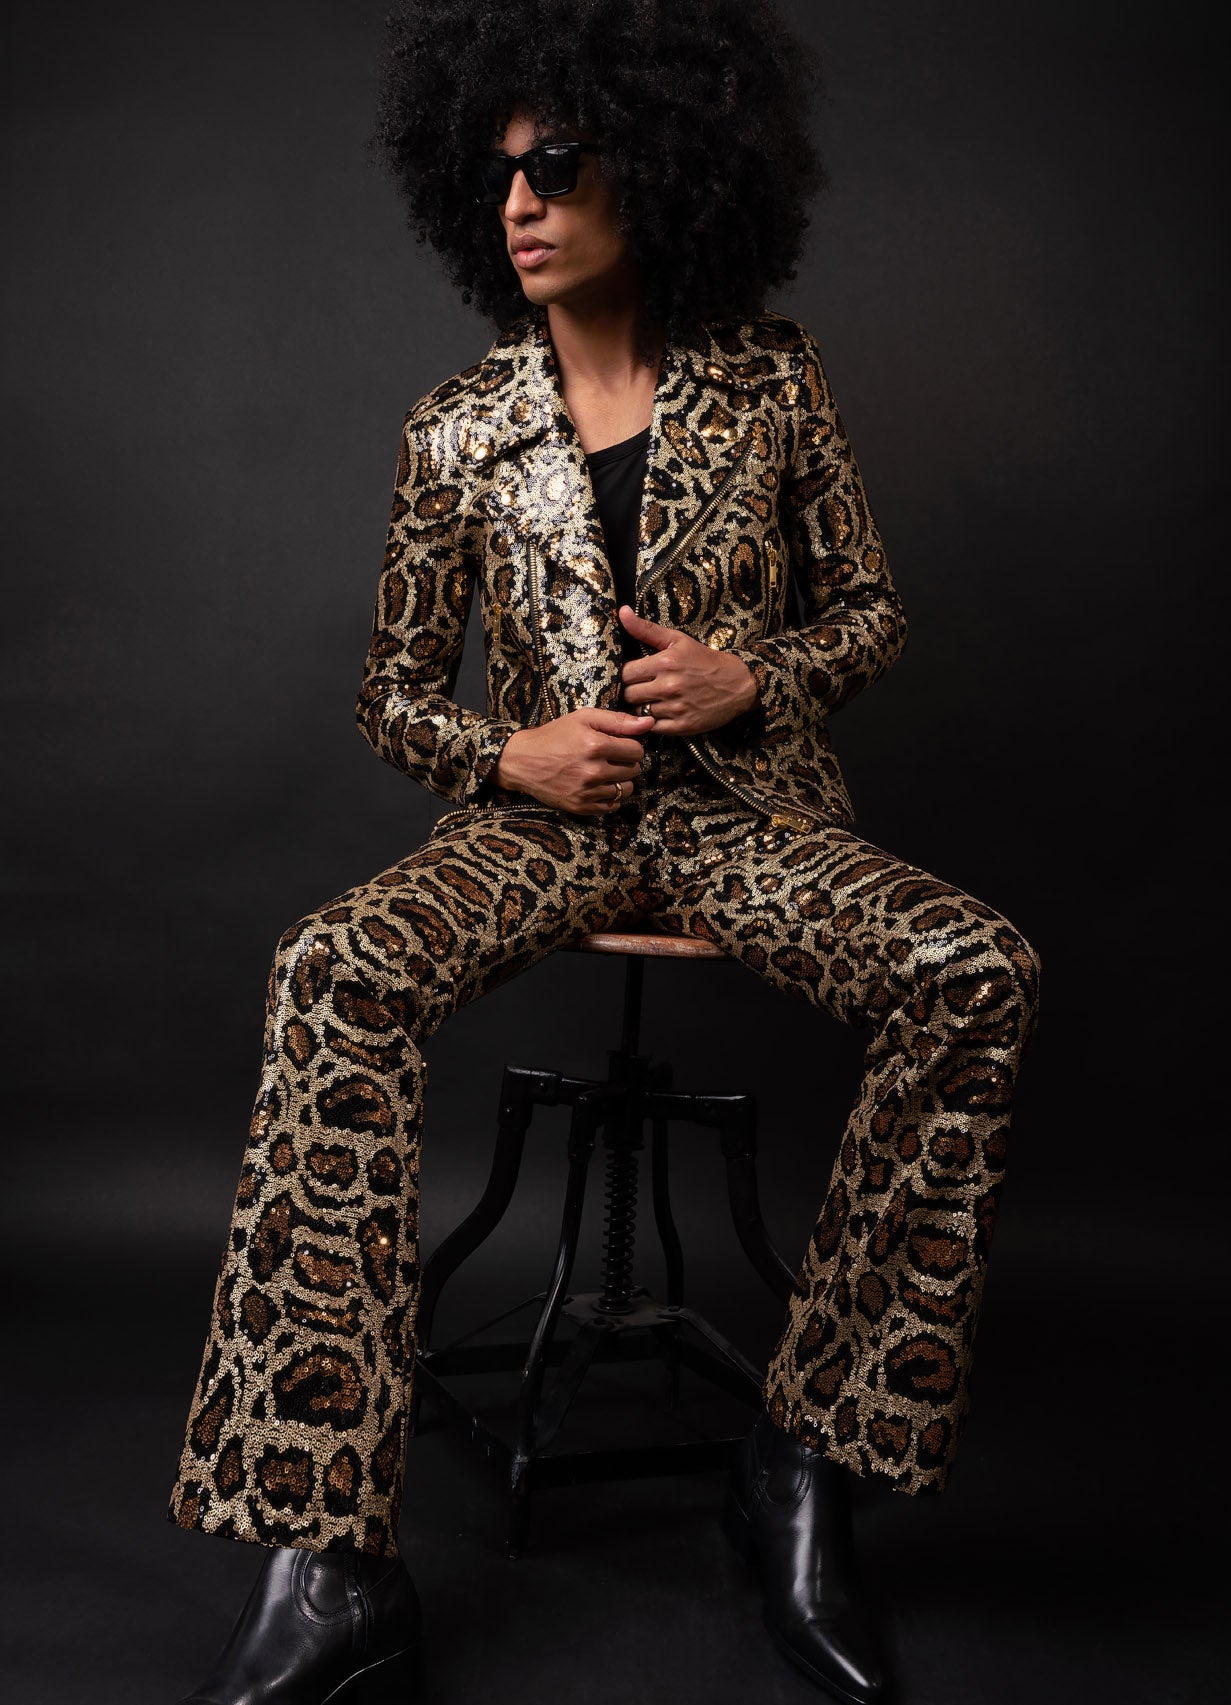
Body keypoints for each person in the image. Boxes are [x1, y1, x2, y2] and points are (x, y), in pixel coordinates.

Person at [167, 3, 1041, 1701]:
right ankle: (329, 1560)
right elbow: (392, 691)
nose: (520, 200)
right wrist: (508, 751)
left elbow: (868, 610)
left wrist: (752, 677)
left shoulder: (772, 378)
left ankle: (804, 1463)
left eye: (556, 164)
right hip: (538, 830)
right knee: (333, 966)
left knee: (976, 972)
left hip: (742, 820)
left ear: (660, 169)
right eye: (497, 173)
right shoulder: (452, 425)